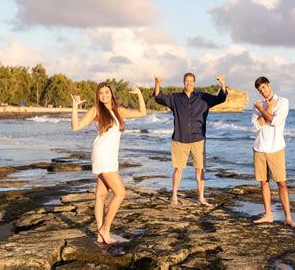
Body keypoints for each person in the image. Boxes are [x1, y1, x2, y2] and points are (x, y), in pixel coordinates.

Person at [71, 82, 147, 244]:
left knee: (101, 195)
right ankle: (105, 229)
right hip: (102, 154)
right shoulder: (96, 110)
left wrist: (139, 93)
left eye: (107, 92)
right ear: (98, 96)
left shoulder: (118, 111)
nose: (104, 95)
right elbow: (76, 127)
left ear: (112, 93)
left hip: (111, 156)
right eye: (101, 93)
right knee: (120, 193)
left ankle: (100, 235)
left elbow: (142, 112)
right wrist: (75, 106)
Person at [154, 73, 227, 207]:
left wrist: (222, 83)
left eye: (191, 81)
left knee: (200, 169)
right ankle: (174, 196)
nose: (189, 83)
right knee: (179, 169)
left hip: (198, 138)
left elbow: (221, 98)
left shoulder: (203, 97)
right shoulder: (175, 98)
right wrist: (157, 83)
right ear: (184, 82)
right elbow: (158, 98)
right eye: (187, 81)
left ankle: (201, 197)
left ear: (194, 82)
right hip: (179, 138)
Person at [251, 76, 295, 228]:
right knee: (263, 183)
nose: (262, 92)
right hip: (259, 147)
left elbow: (275, 121)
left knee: (281, 184)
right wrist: (266, 108)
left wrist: (262, 110)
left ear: (269, 85)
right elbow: (256, 126)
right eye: (259, 90)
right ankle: (268, 215)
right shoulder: (258, 105)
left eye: (263, 88)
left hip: (276, 147)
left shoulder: (283, 102)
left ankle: (288, 217)